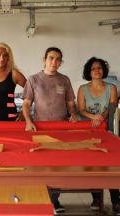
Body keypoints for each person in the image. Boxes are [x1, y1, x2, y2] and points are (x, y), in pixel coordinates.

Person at [22, 47, 77, 213]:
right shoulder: (33, 79)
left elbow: (70, 103)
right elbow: (26, 103)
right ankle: (40, 198)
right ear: (44, 60)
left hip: (61, 129)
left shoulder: (64, 80)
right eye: (51, 58)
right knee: (40, 166)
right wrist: (28, 121)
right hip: (40, 128)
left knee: (58, 167)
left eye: (58, 59)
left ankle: (54, 201)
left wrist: (73, 115)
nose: (54, 62)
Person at [77, 57, 120, 215]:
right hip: (88, 133)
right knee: (93, 168)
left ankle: (116, 202)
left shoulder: (112, 88)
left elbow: (112, 107)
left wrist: (101, 116)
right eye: (93, 68)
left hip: (106, 132)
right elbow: (80, 110)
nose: (97, 70)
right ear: (89, 72)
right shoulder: (82, 89)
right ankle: (96, 198)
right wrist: (93, 117)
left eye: (100, 68)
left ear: (104, 71)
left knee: (111, 169)